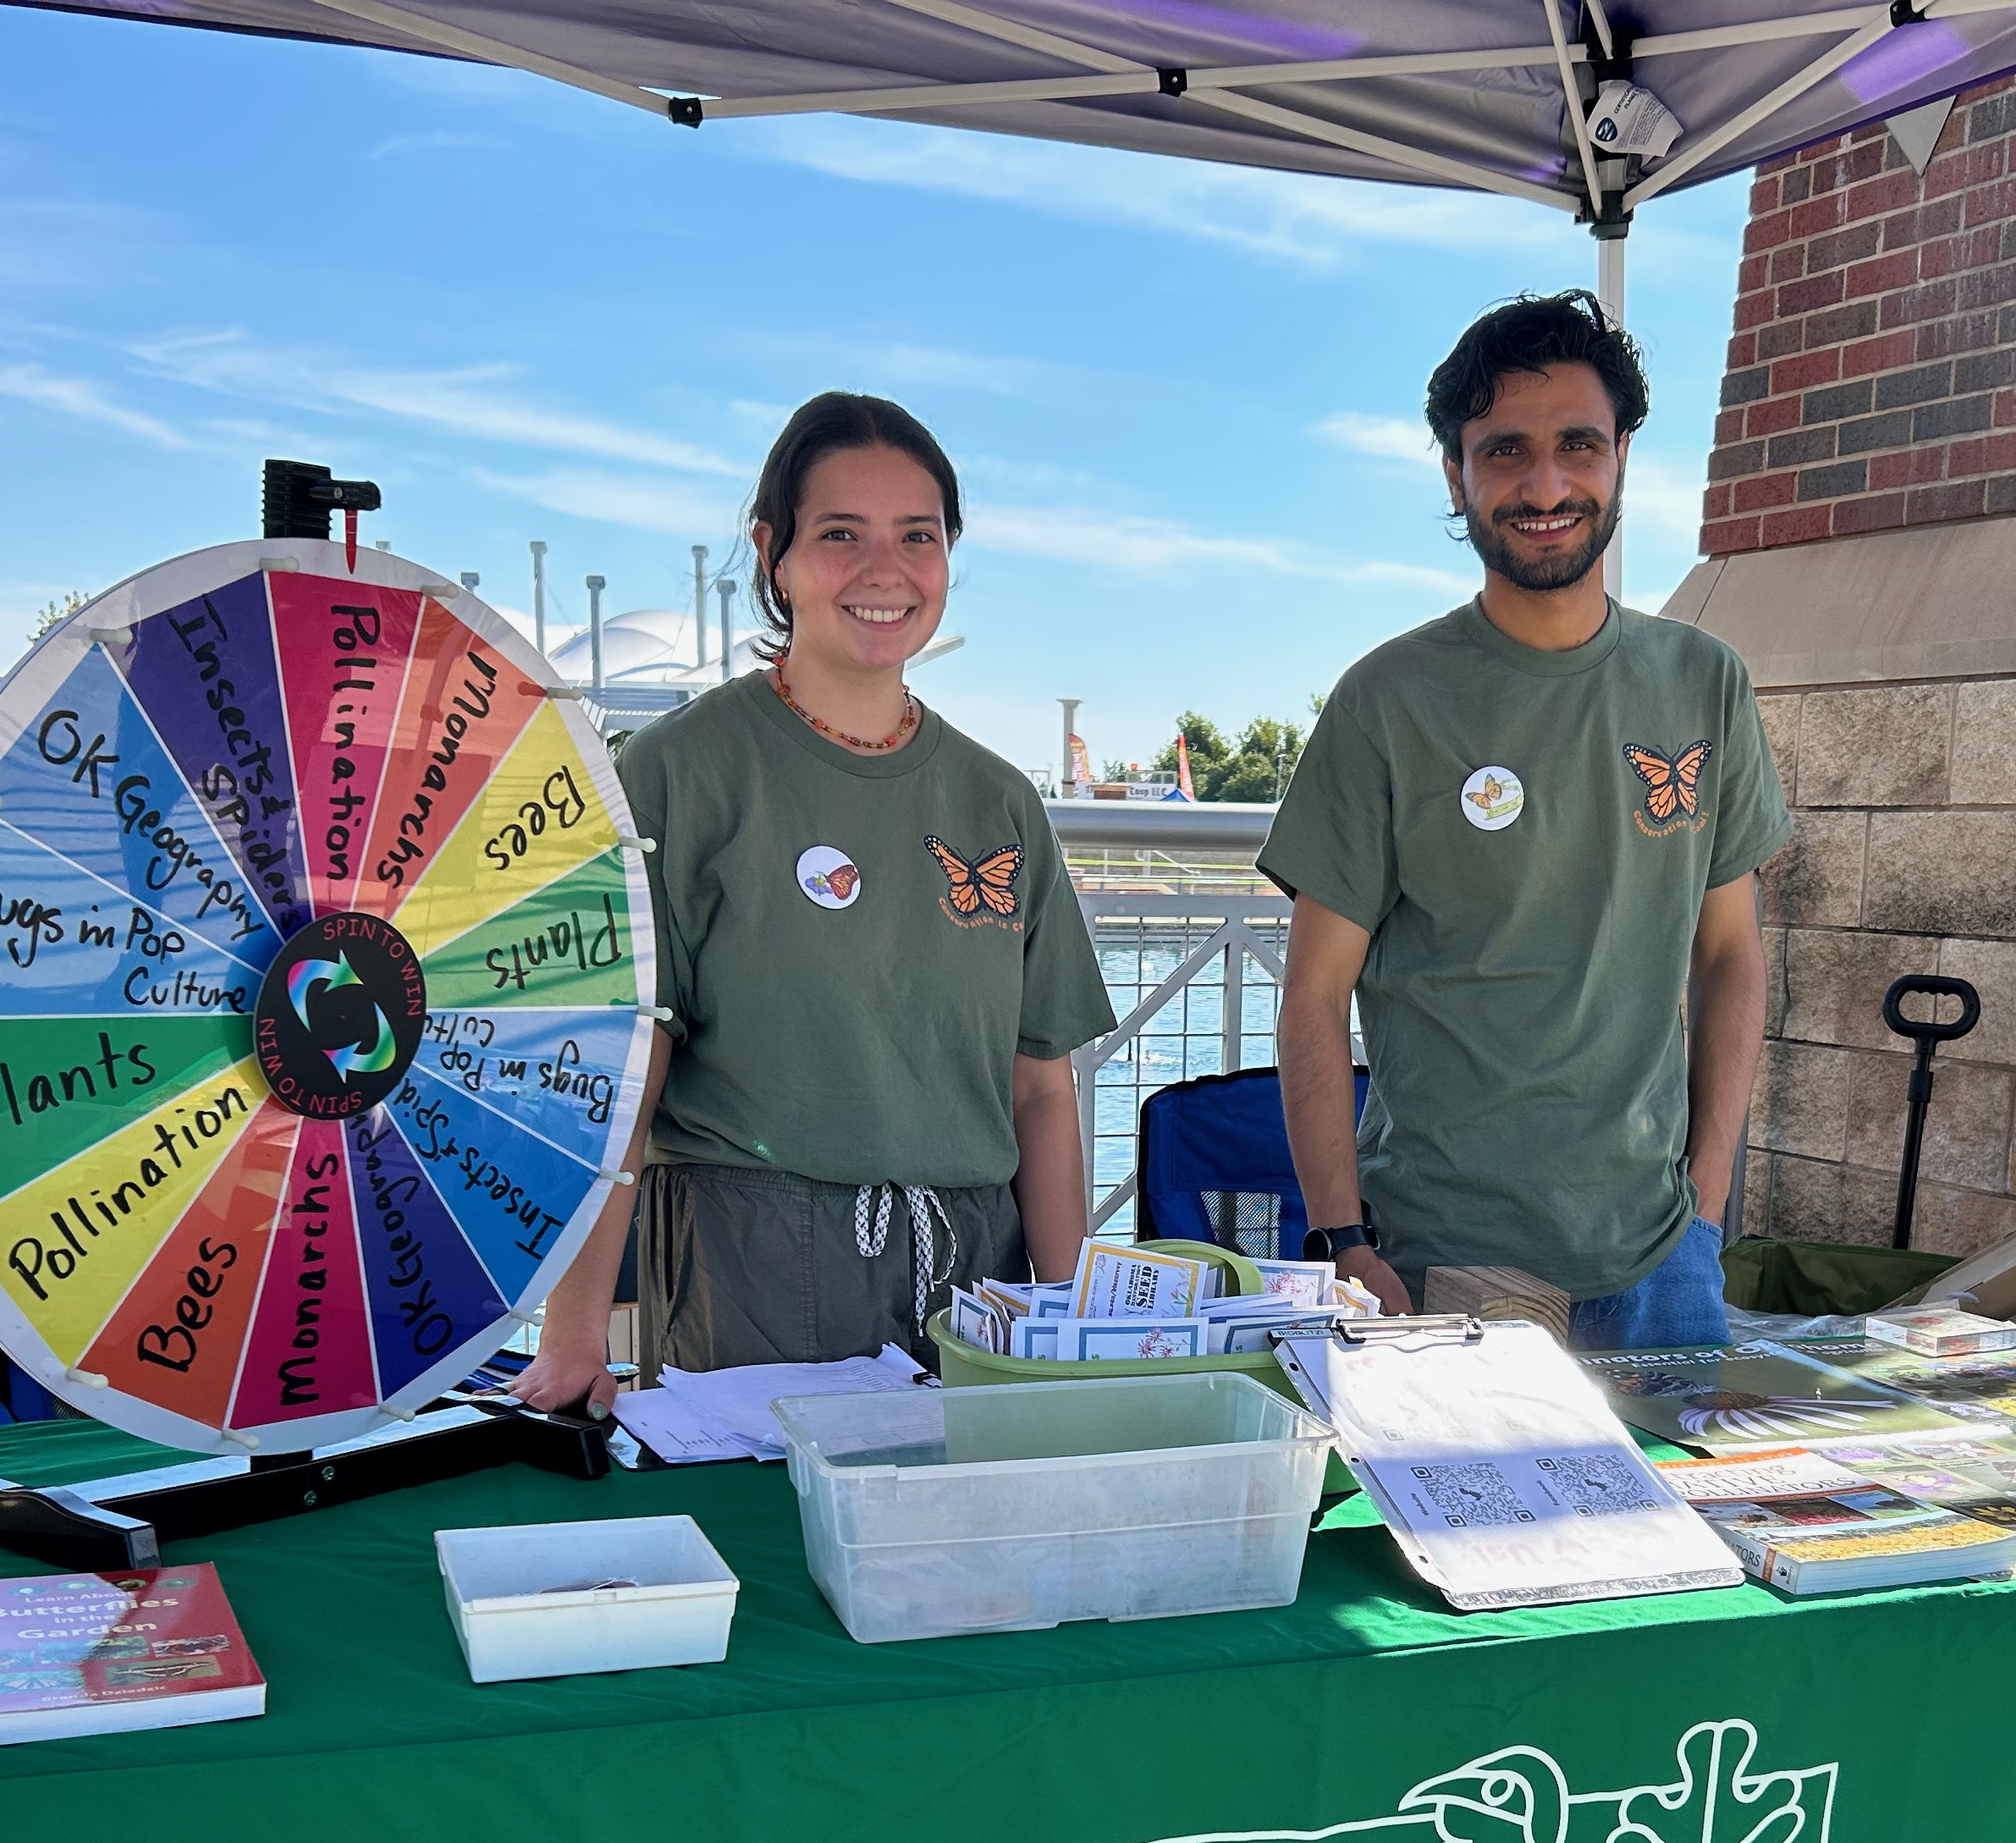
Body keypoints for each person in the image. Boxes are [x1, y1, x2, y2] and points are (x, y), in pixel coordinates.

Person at [514, 393, 1115, 1411]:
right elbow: (620, 1084)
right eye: (841, 534)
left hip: (980, 1276)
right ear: (773, 554)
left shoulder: (1001, 800)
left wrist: (1068, 1331)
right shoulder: (674, 773)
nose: (885, 570)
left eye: (917, 536)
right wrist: (573, 1337)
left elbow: (1042, 1094)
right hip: (748, 1263)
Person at [1263, 291, 1786, 1353]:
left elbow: (1731, 953)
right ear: (1455, 474)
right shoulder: (1387, 700)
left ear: (1622, 455)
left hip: (1662, 1264)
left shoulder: (1705, 682)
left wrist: (1706, 1206)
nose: (1545, 487)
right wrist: (1344, 1241)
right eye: (1505, 451)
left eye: (1577, 445)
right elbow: (1313, 994)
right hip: (1441, 1262)